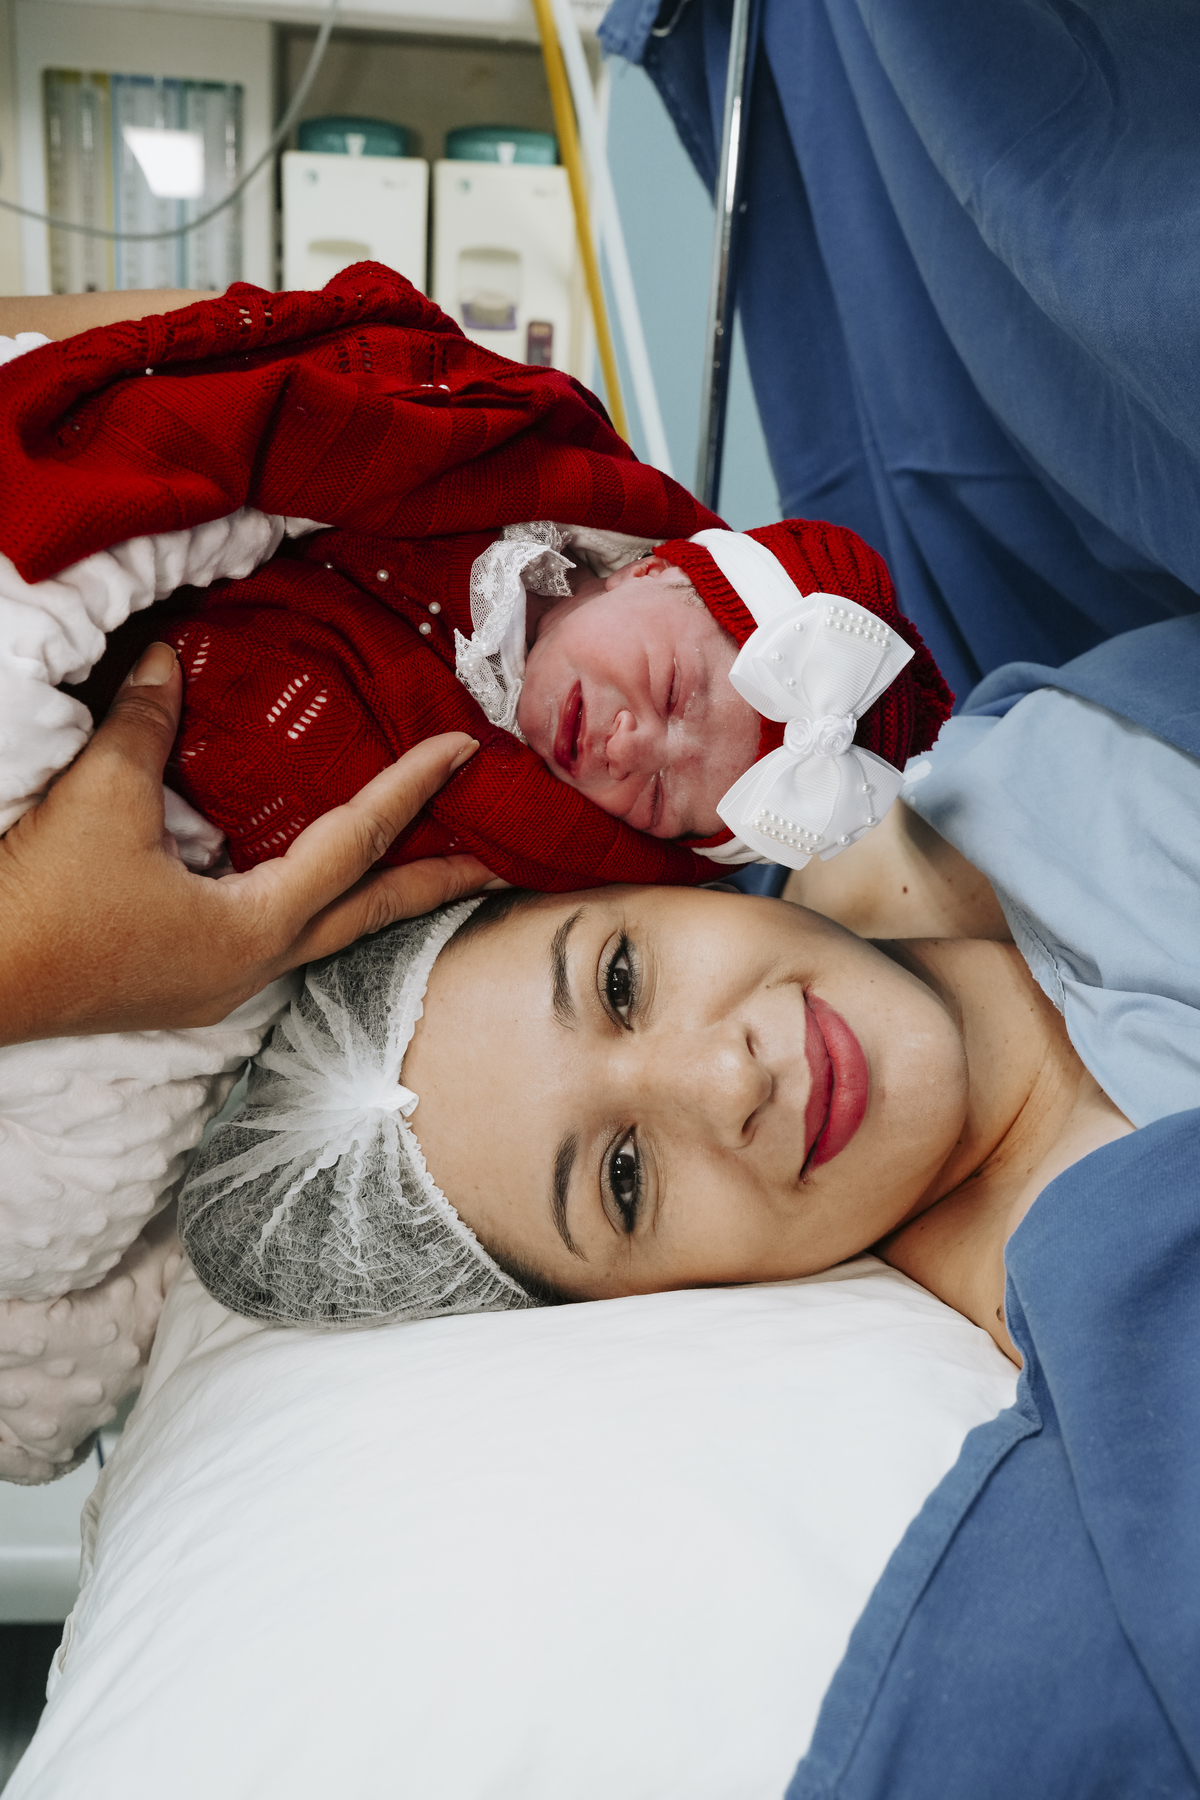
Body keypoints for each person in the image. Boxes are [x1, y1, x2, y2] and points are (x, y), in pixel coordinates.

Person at [178, 614, 1200, 1364]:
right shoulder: (1125, 1310)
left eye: (620, 981)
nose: (727, 1080)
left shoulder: (948, 757)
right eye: (624, 1179)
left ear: (640, 880)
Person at [0, 266, 950, 895]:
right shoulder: (505, 459)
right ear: (655, 570)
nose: (630, 749)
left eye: (662, 799)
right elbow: (276, 421)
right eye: (670, 691)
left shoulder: (511, 832)